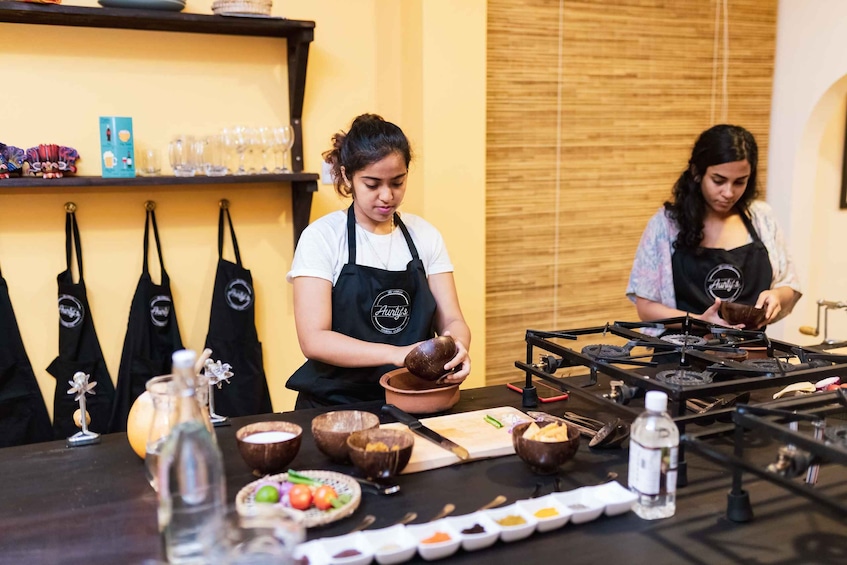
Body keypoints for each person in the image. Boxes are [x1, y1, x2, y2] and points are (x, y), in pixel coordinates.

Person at [286, 114, 471, 409]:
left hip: (414, 398)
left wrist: (458, 346)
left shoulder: (425, 236)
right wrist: (396, 354)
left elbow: (452, 319)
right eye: (372, 184)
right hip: (336, 405)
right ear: (347, 176)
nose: (387, 196)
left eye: (397, 182)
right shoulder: (322, 237)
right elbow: (314, 339)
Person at [627, 124, 801, 327]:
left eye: (739, 182)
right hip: (682, 354)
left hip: (751, 356)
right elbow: (646, 307)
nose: (728, 192)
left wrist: (778, 296)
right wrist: (701, 322)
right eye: (718, 181)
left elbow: (790, 285)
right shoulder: (666, 225)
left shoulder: (762, 218)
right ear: (696, 173)